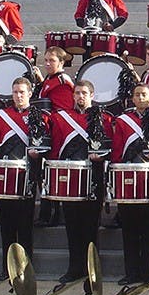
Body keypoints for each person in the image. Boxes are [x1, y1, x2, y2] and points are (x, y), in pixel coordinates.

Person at [48, 80, 114, 283]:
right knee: (72, 226)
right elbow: (56, 148)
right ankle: (74, 267)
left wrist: (101, 157)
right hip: (69, 178)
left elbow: (110, 148)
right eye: (77, 93)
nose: (80, 96)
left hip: (94, 177)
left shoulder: (104, 118)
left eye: (84, 93)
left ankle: (91, 269)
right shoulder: (61, 118)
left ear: (92, 95)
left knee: (90, 226)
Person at [0, 77, 48, 281]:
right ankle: (7, 267)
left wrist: (37, 155)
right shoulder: (2, 116)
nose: (18, 95)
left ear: (30, 93)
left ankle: (25, 266)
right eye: (15, 92)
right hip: (4, 178)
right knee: (6, 225)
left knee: (24, 226)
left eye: (22, 92)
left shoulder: (39, 116)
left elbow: (46, 146)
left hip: (27, 177)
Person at [111, 83, 149, 285]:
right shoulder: (124, 121)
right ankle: (131, 272)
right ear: (132, 99)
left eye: (144, 95)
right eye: (137, 95)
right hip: (128, 180)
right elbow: (117, 150)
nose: (140, 98)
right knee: (130, 230)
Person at [32, 46, 75, 227]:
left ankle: (52, 214)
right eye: (46, 60)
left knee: (51, 173)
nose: (47, 63)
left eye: (52, 61)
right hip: (45, 132)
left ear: (62, 62)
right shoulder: (51, 79)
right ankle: (46, 213)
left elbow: (62, 112)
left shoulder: (62, 82)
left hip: (56, 133)